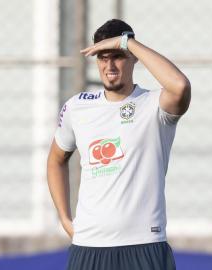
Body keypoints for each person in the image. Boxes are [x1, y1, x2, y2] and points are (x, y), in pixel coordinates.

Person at [47, 19, 190, 270]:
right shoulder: (77, 107)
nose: (109, 66)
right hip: (89, 249)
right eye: (102, 57)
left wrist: (128, 43)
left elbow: (180, 86)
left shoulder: (154, 105)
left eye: (118, 56)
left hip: (144, 246)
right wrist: (65, 219)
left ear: (133, 58)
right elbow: (56, 160)